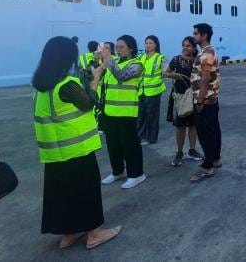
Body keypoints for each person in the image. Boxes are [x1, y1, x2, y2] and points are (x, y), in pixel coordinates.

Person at [32, 37, 121, 250]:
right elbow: (90, 102)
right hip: (77, 151)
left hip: (55, 155)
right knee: (86, 192)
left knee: (62, 194)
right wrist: (97, 77)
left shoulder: (42, 86)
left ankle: (69, 233)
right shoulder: (67, 85)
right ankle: (94, 233)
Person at [99, 35, 146, 189]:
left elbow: (121, 77)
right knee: (113, 145)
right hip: (109, 111)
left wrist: (108, 59)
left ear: (130, 48)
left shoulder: (137, 65)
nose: (117, 50)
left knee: (129, 145)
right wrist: (100, 60)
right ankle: (118, 171)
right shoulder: (114, 63)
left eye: (121, 47)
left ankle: (137, 174)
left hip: (126, 112)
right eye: (116, 47)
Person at [164, 37, 203, 167]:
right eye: (183, 45)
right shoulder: (176, 59)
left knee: (193, 125)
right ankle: (179, 152)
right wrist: (173, 75)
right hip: (180, 97)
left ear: (194, 47)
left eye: (188, 46)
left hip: (194, 95)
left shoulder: (198, 60)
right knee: (180, 126)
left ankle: (192, 150)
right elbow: (165, 73)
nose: (185, 48)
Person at [190, 23, 221, 183]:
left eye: (196, 34)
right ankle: (214, 158)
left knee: (205, 133)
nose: (194, 36)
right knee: (214, 129)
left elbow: (206, 78)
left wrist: (200, 100)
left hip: (205, 100)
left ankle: (207, 167)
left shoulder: (207, 53)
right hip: (211, 99)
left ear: (204, 35)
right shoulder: (208, 51)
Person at [137, 35, 167, 145]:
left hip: (154, 91)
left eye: (151, 43)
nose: (148, 45)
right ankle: (140, 136)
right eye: (146, 43)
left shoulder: (160, 58)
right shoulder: (141, 57)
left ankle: (152, 138)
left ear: (156, 45)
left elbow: (165, 71)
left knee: (152, 116)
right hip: (141, 91)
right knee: (141, 115)